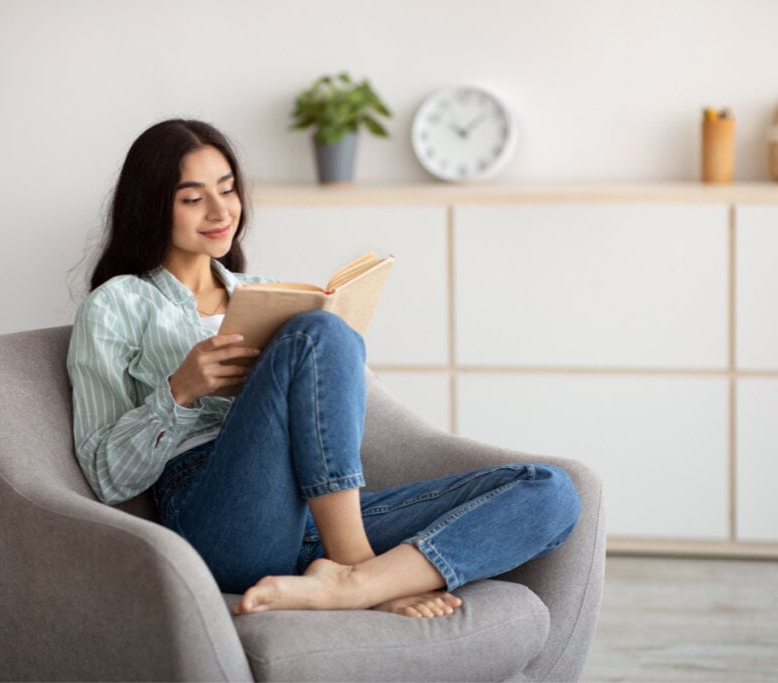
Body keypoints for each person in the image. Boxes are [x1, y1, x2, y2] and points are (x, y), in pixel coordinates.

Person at [68, 118, 581, 618]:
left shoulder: (265, 291)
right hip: (217, 518)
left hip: (316, 514)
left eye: (228, 189)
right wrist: (178, 392)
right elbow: (104, 476)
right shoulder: (117, 304)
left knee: (551, 491)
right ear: (155, 206)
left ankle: (353, 584)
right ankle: (356, 565)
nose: (220, 210)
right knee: (321, 333)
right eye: (193, 198)